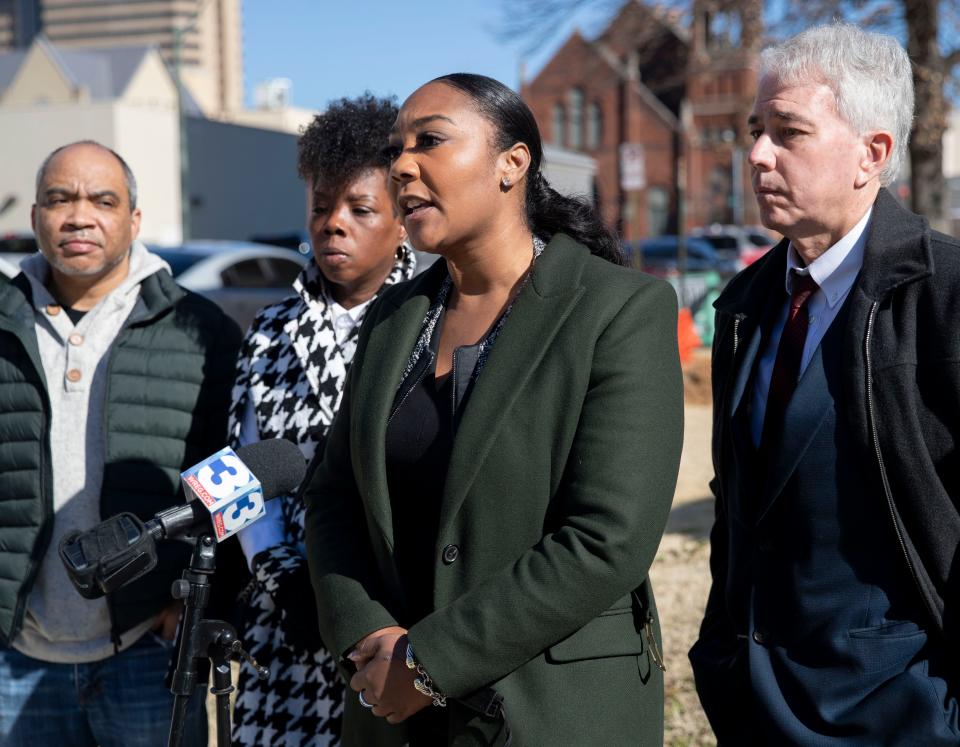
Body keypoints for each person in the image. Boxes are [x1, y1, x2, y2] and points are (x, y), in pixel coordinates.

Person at [302, 73, 684, 746]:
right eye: (395, 150)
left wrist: (427, 663)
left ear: (513, 162)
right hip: (393, 713)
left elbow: (607, 539)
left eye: (430, 141)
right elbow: (333, 495)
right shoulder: (395, 318)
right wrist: (369, 636)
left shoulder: (617, 309)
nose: (402, 165)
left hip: (549, 710)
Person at [689, 23, 960, 745]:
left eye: (788, 131)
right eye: (755, 129)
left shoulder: (946, 295)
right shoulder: (744, 304)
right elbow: (737, 507)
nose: (756, 154)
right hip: (752, 708)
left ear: (872, 154)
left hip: (903, 714)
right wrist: (719, 654)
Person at [0, 141, 242, 746]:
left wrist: (196, 605)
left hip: (146, 649)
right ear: (34, 219)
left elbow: (232, 478)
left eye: (102, 200)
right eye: (60, 199)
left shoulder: (198, 328)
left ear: (134, 220)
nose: (79, 215)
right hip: (14, 655)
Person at [227, 94, 416, 747]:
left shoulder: (433, 319)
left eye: (360, 209)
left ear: (400, 221)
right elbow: (245, 464)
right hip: (291, 616)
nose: (333, 223)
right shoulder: (270, 332)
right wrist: (283, 578)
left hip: (402, 614)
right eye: (320, 207)